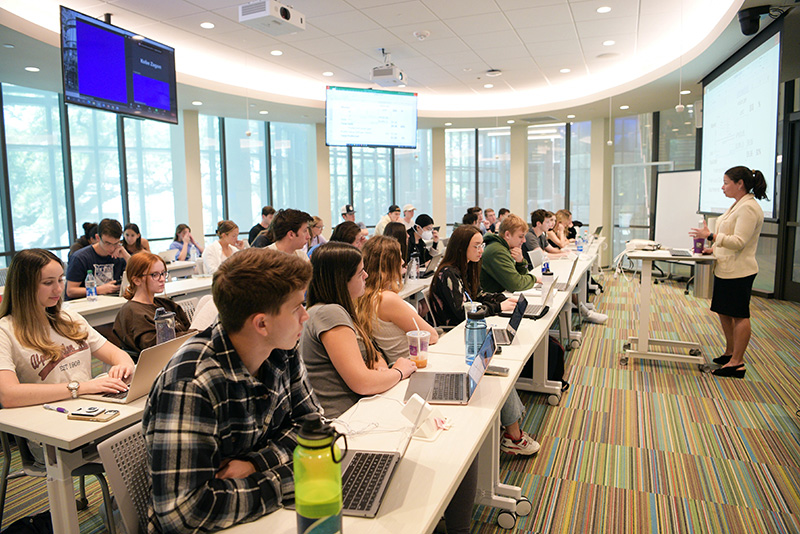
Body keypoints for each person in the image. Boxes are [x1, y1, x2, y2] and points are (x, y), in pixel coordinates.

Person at [143, 248, 321, 534]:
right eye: (297, 307)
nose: (306, 316)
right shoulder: (191, 384)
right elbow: (184, 514)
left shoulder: (281, 349)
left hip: (254, 515)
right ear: (261, 323)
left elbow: (311, 425)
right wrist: (297, 477)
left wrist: (254, 464)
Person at [428, 226, 540, 455]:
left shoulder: (466, 268)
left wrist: (503, 299)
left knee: (501, 362)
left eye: (482, 245)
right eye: (476, 246)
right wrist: (498, 307)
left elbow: (478, 295)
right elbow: (462, 311)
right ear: (462, 248)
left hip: (467, 331)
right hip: (454, 336)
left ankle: (512, 427)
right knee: (496, 368)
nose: (481, 250)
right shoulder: (447, 273)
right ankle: (513, 434)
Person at [0, 249, 133, 410]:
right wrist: (82, 387)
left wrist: (123, 366)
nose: (58, 289)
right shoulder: (5, 331)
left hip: (88, 407)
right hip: (48, 416)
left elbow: (117, 355)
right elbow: (9, 395)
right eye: (48, 283)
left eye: (60, 280)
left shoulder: (69, 318)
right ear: (24, 286)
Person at [299, 242, 417, 419]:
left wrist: (381, 369)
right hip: (346, 419)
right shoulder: (329, 313)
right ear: (341, 280)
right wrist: (399, 371)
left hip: (357, 411)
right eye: (360, 273)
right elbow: (362, 383)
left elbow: (372, 356)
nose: (366, 276)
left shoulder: (333, 310)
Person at [689, 166, 767, 379]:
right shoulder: (738, 205)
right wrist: (713, 248)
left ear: (739, 183)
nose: (722, 187)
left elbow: (740, 242)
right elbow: (730, 237)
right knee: (725, 311)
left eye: (725, 183)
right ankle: (730, 352)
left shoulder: (748, 208)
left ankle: (737, 363)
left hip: (740, 271)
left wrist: (712, 236)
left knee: (739, 315)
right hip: (726, 268)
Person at [355, 236, 438, 364]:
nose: (403, 261)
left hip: (408, 362)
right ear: (388, 264)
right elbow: (431, 336)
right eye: (399, 258)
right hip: (415, 363)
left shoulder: (366, 296)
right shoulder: (386, 299)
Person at [113, 252, 191, 354]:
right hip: (167, 359)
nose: (162, 279)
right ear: (137, 280)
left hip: (184, 350)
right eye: (155, 275)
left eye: (163, 273)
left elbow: (186, 327)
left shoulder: (166, 304)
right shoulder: (132, 312)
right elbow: (156, 348)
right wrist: (195, 334)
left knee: (206, 300)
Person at [65, 218, 129, 300]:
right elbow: (71, 291)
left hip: (111, 303)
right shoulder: (80, 257)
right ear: (97, 238)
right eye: (107, 243)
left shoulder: (120, 255)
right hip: (86, 306)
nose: (112, 248)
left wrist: (126, 255)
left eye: (116, 243)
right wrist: (98, 290)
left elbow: (139, 274)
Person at [480, 214, 537, 293]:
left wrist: (520, 262)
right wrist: (534, 279)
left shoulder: (505, 248)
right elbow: (516, 284)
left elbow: (521, 276)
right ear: (507, 235)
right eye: (521, 237)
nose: (524, 241)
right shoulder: (497, 251)